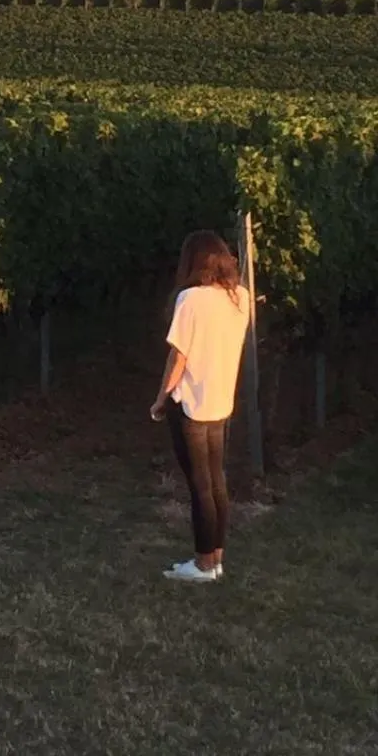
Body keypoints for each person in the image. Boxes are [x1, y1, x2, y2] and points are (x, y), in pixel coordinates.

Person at [150, 230, 250, 583]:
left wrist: (161, 399)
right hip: (221, 400)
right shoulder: (240, 297)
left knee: (200, 486)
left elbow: (179, 356)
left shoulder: (190, 299)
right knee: (216, 479)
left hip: (191, 404)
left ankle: (203, 565)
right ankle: (216, 557)